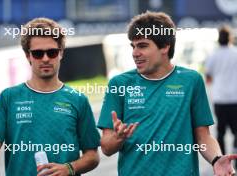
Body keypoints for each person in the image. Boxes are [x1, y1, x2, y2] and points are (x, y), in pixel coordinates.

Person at [98, 11, 237, 176]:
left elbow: (203, 136)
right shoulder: (119, 84)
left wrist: (216, 159)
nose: (135, 52)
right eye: (133, 46)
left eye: (142, 45)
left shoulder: (191, 81)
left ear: (165, 47)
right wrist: (118, 138)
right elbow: (106, 147)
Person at [0, 17, 100, 176]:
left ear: (61, 53)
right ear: (27, 55)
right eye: (37, 53)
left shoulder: (78, 100)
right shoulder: (9, 97)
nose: (45, 59)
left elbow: (92, 156)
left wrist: (69, 168)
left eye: (52, 52)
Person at [205, 25, 237, 168]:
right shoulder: (236, 53)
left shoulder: (213, 55)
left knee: (221, 131)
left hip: (220, 99)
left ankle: (223, 159)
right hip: (235, 98)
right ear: (230, 39)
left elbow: (208, 77)